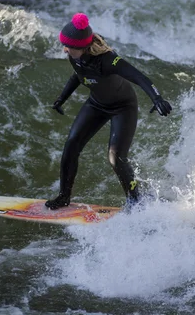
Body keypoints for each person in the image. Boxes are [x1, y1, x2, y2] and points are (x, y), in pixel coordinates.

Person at [45, 13, 173, 210]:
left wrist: (156, 98)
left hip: (123, 107)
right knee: (71, 145)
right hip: (96, 104)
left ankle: (135, 200)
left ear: (81, 47)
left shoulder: (108, 60)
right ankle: (63, 197)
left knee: (116, 158)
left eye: (68, 46)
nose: (65, 49)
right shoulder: (74, 56)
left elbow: (138, 76)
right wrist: (62, 98)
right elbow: (78, 75)